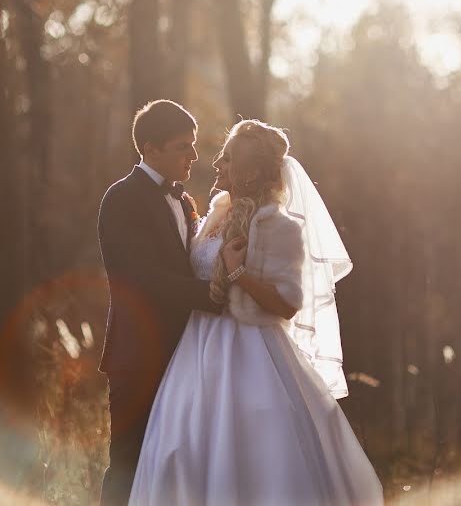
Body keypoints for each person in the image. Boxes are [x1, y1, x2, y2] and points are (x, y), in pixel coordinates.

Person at [129, 119, 384, 505]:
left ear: (248, 172)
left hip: (251, 351)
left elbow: (287, 304)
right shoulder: (212, 216)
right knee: (180, 448)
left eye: (227, 158)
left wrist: (238, 274)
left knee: (252, 452)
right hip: (196, 349)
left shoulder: (279, 227)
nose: (216, 164)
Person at [97, 100, 225, 506]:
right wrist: (212, 295)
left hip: (184, 354)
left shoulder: (185, 201)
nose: (193, 155)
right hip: (138, 355)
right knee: (129, 465)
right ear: (150, 149)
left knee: (173, 470)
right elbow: (140, 279)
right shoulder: (121, 199)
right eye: (181, 146)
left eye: (193, 145)